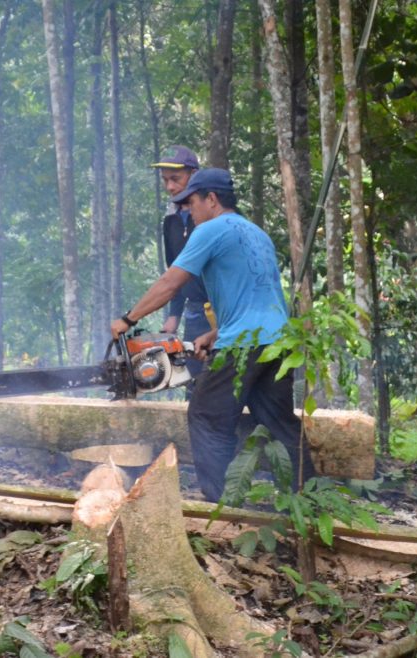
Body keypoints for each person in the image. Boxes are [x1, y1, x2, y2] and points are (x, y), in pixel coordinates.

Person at [109, 168, 316, 502]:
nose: (188, 211)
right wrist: (216, 333)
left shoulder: (209, 230)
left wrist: (127, 318)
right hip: (277, 342)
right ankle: (308, 497)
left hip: (243, 345)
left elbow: (170, 282)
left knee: (206, 415)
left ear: (212, 199)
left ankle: (222, 503)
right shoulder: (257, 234)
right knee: (279, 423)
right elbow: (262, 299)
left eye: (191, 202)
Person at [151, 146, 211, 382]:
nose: (170, 187)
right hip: (195, 312)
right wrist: (174, 314)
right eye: (165, 180)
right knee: (193, 379)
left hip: (223, 312)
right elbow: (175, 271)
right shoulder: (171, 220)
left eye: (176, 179)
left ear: (194, 174)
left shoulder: (212, 216)